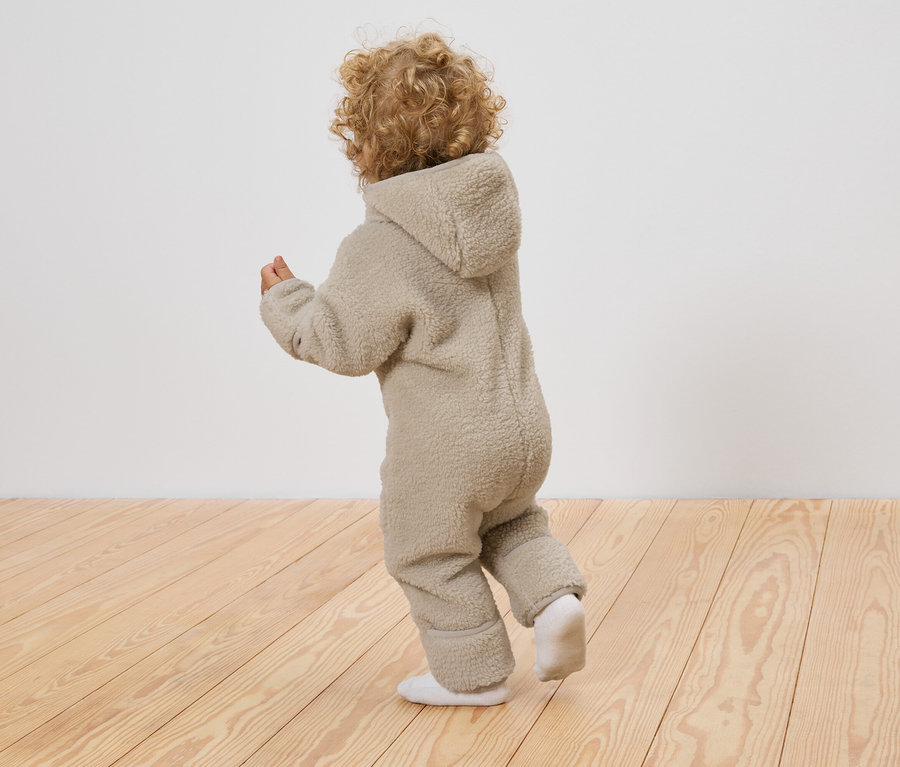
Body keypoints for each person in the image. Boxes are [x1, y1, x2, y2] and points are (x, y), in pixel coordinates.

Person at [259, 31, 587, 706]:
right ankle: (555, 602)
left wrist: (285, 301)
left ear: (368, 144)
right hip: (522, 429)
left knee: (427, 548)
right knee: (513, 523)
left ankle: (471, 676)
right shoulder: (491, 217)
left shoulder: (380, 244)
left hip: (446, 447)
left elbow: (342, 343)